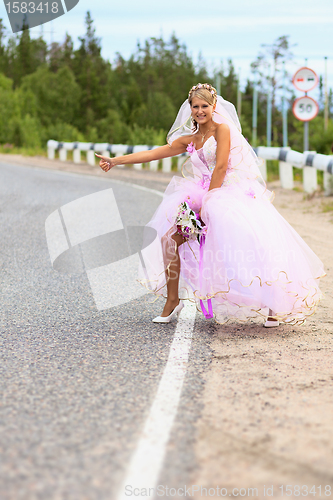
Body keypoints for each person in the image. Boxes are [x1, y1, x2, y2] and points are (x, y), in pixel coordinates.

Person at [96, 83, 325, 327]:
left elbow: (221, 167)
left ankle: (273, 305)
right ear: (190, 109)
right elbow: (156, 152)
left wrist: (210, 202)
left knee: (250, 244)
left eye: (204, 105)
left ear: (214, 107)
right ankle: (172, 300)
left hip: (228, 195)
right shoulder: (191, 139)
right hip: (199, 196)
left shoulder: (223, 130)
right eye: (195, 106)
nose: (199, 110)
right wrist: (116, 160)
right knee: (169, 241)